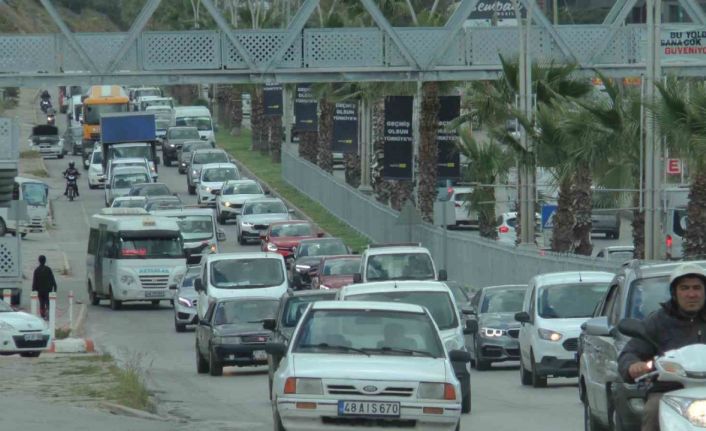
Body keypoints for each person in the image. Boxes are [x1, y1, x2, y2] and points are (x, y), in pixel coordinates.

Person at [618, 263, 706, 431]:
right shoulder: (658, 321)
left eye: (697, 288)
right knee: (653, 409)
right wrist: (633, 366)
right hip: (669, 391)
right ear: (674, 292)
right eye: (684, 288)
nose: (691, 294)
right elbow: (632, 351)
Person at [31, 255, 57, 320]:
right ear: (45, 261)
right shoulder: (48, 269)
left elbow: (34, 281)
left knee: (41, 303)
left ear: (39, 261)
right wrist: (55, 288)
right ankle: (48, 314)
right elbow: (52, 279)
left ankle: (42, 316)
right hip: (48, 290)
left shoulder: (36, 270)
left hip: (40, 291)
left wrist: (33, 290)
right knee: (48, 302)